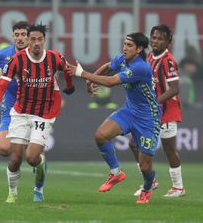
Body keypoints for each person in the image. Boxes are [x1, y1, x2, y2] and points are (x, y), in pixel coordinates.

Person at [66, 32, 161, 204]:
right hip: (130, 111)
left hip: (149, 118)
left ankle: (148, 186)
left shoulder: (141, 67)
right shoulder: (123, 58)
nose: (125, 48)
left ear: (139, 49)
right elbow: (108, 66)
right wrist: (90, 82)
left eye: (129, 45)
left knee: (146, 166)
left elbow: (110, 81)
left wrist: (82, 74)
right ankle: (116, 172)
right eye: (124, 44)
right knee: (101, 135)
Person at [0, 23, 75, 203]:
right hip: (21, 112)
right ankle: (12, 193)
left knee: (33, 158)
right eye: (32, 39)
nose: (36, 42)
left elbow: (67, 69)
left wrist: (70, 86)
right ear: (28, 40)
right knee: (16, 157)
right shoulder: (16, 60)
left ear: (44, 40)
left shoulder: (54, 57)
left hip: (44, 113)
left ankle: (38, 189)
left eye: (39, 39)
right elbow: (2, 84)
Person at [129, 25, 186, 198]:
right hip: (151, 112)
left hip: (166, 112)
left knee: (169, 149)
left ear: (169, 41)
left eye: (160, 38)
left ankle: (178, 187)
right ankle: (150, 180)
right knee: (133, 143)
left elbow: (175, 88)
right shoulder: (149, 57)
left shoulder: (168, 60)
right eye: (153, 37)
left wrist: (153, 102)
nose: (155, 41)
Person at [0, 21, 29, 157]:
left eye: (24, 34)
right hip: (10, 105)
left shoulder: (39, 56)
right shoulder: (3, 55)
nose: (20, 38)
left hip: (32, 107)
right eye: (17, 35)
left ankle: (37, 163)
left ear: (29, 36)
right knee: (3, 148)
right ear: (13, 37)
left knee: (34, 156)